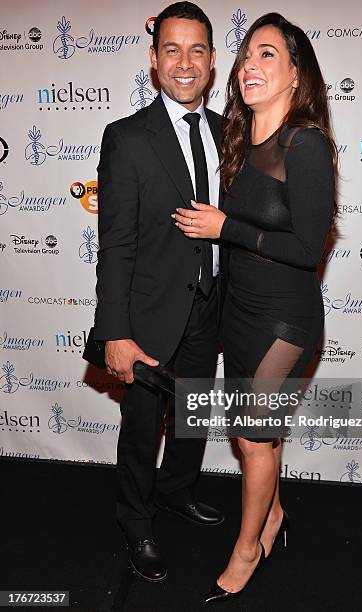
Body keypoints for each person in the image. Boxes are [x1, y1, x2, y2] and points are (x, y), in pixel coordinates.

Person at [173, 12, 336, 603]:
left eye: (268, 55)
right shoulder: (239, 142)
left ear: (297, 73)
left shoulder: (305, 143)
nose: (250, 65)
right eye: (246, 55)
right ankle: (273, 516)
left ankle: (248, 551)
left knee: (256, 438)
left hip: (284, 323)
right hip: (239, 314)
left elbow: (307, 248)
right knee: (248, 440)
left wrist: (227, 228)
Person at [93, 1, 224, 583]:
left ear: (213, 60)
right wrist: (115, 332)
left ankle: (176, 491)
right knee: (142, 429)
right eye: (172, 49)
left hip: (212, 309)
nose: (185, 62)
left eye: (197, 49)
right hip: (148, 315)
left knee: (193, 417)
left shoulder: (229, 132)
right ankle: (136, 522)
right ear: (153, 58)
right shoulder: (127, 138)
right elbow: (116, 244)